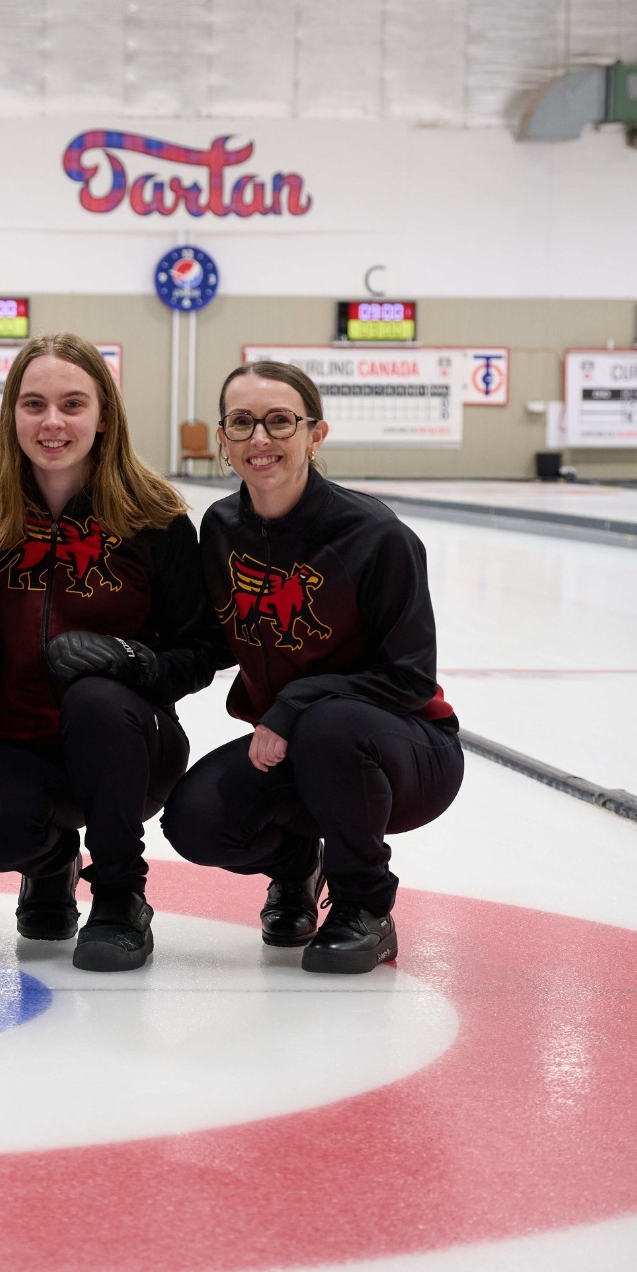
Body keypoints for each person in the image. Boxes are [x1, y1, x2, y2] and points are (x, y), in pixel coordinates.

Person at [161, 361, 465, 975]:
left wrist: (295, 706)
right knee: (195, 820)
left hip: (406, 751)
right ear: (223, 438)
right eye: (242, 423)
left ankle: (364, 907)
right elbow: (213, 640)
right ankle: (296, 866)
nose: (260, 440)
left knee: (330, 727)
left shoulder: (376, 536)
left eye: (279, 422)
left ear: (315, 434)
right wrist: (133, 663)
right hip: (296, 746)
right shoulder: (222, 528)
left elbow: (409, 676)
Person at [0, 335, 225, 971]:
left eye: (73, 404)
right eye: (34, 404)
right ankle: (52, 865)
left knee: (97, 698)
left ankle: (120, 893)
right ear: (10, 415)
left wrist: (135, 663)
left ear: (104, 416)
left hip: (131, 746)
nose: (52, 423)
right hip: (21, 744)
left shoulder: (154, 517)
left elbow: (204, 648)